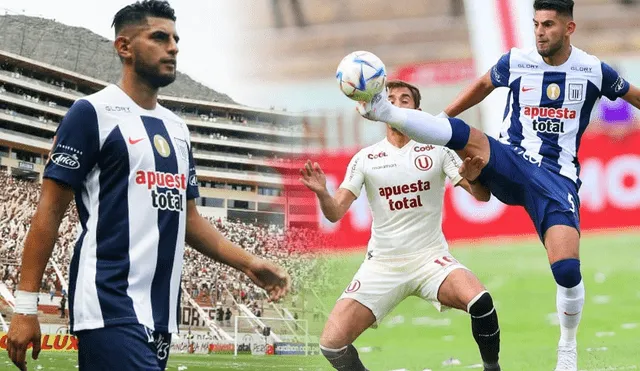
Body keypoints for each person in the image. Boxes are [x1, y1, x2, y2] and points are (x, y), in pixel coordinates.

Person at [5, 1, 291, 371]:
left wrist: (249, 263)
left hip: (160, 314)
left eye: (175, 39)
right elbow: (50, 209)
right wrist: (26, 307)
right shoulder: (92, 113)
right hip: (109, 303)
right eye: (159, 37)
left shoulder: (178, 130)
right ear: (124, 47)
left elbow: (189, 220)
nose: (172, 47)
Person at [355, 1, 640, 370]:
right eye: (536, 23)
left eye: (549, 25)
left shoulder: (593, 70)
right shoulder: (516, 60)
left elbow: (634, 95)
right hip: (511, 160)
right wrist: (442, 118)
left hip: (557, 181)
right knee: (462, 136)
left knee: (568, 272)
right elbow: (482, 84)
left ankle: (566, 346)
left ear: (569, 29)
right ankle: (385, 111)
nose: (540, 31)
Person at [302, 80, 501, 371]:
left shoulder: (437, 150)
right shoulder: (365, 159)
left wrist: (473, 177)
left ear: (417, 110)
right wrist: (322, 192)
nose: (396, 103)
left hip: (431, 259)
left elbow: (482, 197)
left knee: (481, 302)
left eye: (404, 99)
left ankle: (492, 368)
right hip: (382, 265)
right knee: (331, 344)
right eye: (389, 98)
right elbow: (334, 213)